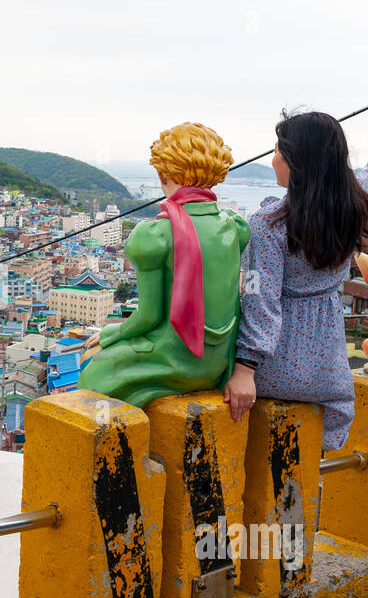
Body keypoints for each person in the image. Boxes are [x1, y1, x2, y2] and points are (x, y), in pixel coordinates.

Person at [222, 108, 368, 450]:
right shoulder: (353, 206)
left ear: (295, 161)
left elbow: (261, 299)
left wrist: (244, 368)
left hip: (274, 367)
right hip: (328, 370)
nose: (273, 159)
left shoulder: (269, 223)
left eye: (277, 151)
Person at [77, 122, 250, 407]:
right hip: (217, 364)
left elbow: (148, 316)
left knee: (93, 376)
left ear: (164, 172)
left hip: (175, 358)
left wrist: (110, 334)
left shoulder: (154, 235)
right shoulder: (235, 226)